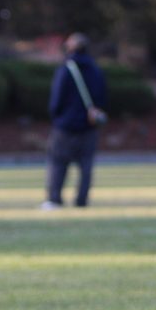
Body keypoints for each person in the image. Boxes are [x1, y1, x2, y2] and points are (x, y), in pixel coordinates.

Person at [41, 32, 108, 210]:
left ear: (70, 47)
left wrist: (57, 117)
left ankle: (54, 199)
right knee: (86, 164)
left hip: (65, 125)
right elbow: (101, 97)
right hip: (89, 125)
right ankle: (82, 200)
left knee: (58, 162)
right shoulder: (96, 70)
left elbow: (57, 99)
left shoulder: (65, 69)